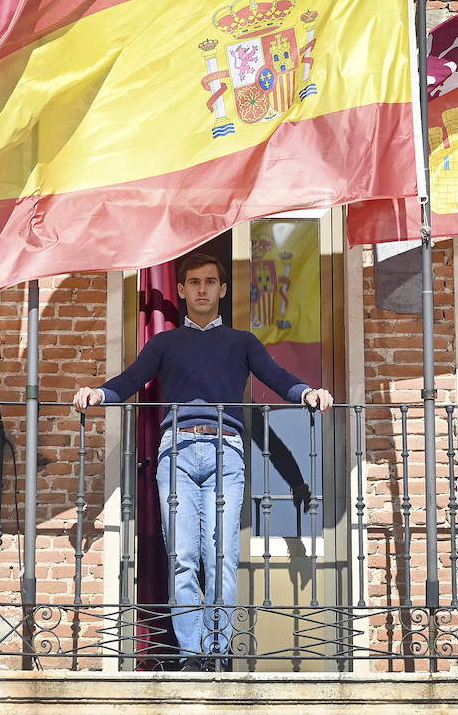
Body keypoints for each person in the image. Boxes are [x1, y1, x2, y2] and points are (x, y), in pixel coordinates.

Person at [71, 252, 332, 670]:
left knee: (222, 556)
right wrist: (100, 394)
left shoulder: (241, 342)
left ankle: (217, 651)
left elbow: (276, 376)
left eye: (210, 282)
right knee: (184, 558)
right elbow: (131, 379)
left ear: (223, 290)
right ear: (181, 290)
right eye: (194, 282)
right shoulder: (165, 343)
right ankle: (193, 653)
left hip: (226, 452)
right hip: (175, 453)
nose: (202, 289)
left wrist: (306, 393)